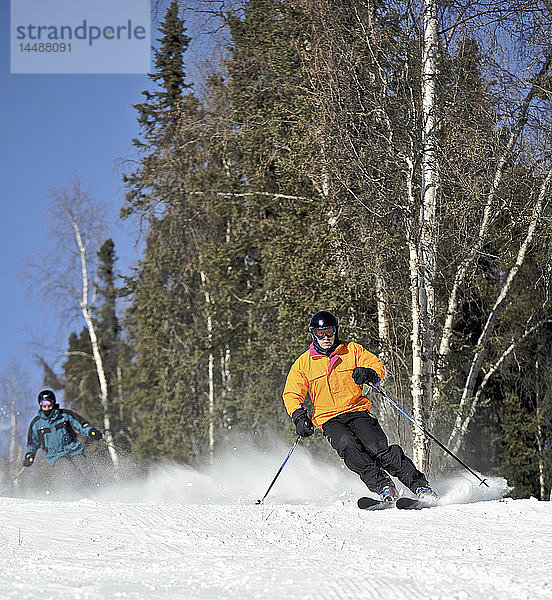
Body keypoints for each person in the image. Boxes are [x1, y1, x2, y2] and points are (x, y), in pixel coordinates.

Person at [283, 311, 437, 503]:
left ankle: (420, 486)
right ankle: (384, 487)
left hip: (357, 410)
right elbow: (291, 393)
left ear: (336, 331)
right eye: (320, 333)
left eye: (329, 332)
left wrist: (369, 374)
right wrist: (298, 416)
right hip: (329, 418)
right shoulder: (303, 364)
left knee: (379, 449)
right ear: (313, 334)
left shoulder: (352, 350)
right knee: (349, 448)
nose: (325, 338)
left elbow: (377, 366)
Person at [23, 389, 103, 489]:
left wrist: (91, 431)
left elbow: (80, 424)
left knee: (86, 469)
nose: (47, 406)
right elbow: (32, 443)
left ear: (53, 402)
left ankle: (99, 490)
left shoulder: (64, 415)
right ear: (40, 404)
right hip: (55, 456)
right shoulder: (37, 423)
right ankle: (83, 495)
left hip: (74, 450)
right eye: (44, 404)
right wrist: (29, 455)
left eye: (49, 403)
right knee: (70, 472)